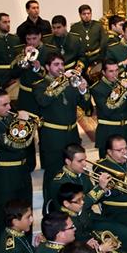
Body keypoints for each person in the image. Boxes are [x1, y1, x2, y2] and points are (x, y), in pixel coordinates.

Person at [0, 89, 34, 240]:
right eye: (4, 105)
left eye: (9, 103)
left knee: (26, 216)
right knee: (4, 220)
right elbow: (11, 144)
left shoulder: (8, 120)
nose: (9, 108)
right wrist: (22, 122)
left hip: (22, 174)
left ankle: (25, 251)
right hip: (5, 178)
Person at [34, 52, 91, 189]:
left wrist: (83, 91)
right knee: (54, 172)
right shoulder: (39, 85)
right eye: (56, 64)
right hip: (53, 136)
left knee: (74, 169)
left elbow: (86, 108)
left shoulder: (71, 84)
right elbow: (44, 101)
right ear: (47, 67)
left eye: (62, 64)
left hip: (71, 134)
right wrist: (62, 81)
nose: (60, 68)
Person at [91, 60, 127, 158]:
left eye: (117, 70)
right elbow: (107, 110)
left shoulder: (124, 83)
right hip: (109, 131)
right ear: (104, 73)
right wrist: (120, 90)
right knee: (108, 164)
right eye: (111, 71)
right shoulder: (97, 88)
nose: (115, 74)